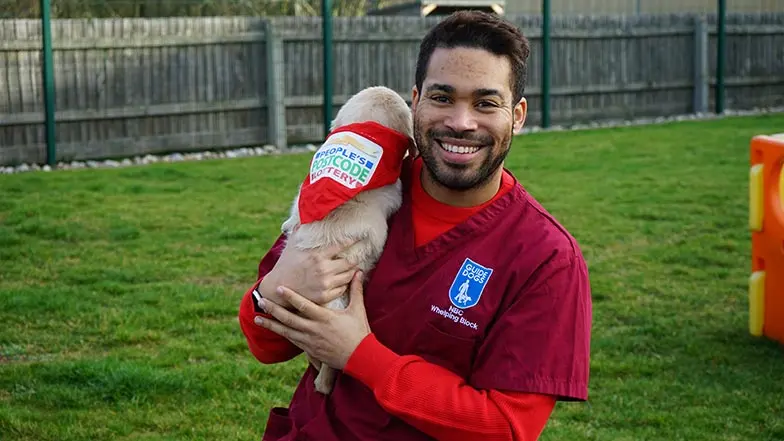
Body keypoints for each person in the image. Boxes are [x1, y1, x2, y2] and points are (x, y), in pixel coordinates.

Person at [238, 10, 592, 441]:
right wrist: (274, 288)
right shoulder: (364, 185)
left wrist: (359, 355)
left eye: (486, 102)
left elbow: (506, 427)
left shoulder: (546, 258)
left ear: (517, 115)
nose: (461, 122)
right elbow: (266, 345)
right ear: (415, 101)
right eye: (442, 98)